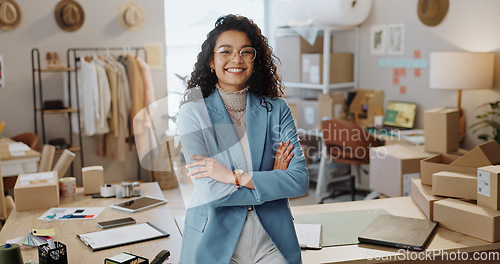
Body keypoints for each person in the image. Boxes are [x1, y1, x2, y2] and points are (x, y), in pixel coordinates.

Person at [177, 14, 309, 264]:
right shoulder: (193, 113)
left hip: (271, 237)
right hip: (214, 236)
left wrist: (232, 177)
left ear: (255, 61)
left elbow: (299, 180)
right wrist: (272, 181)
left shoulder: (276, 109)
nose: (236, 59)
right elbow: (210, 191)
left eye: (246, 52)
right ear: (211, 62)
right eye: (226, 51)